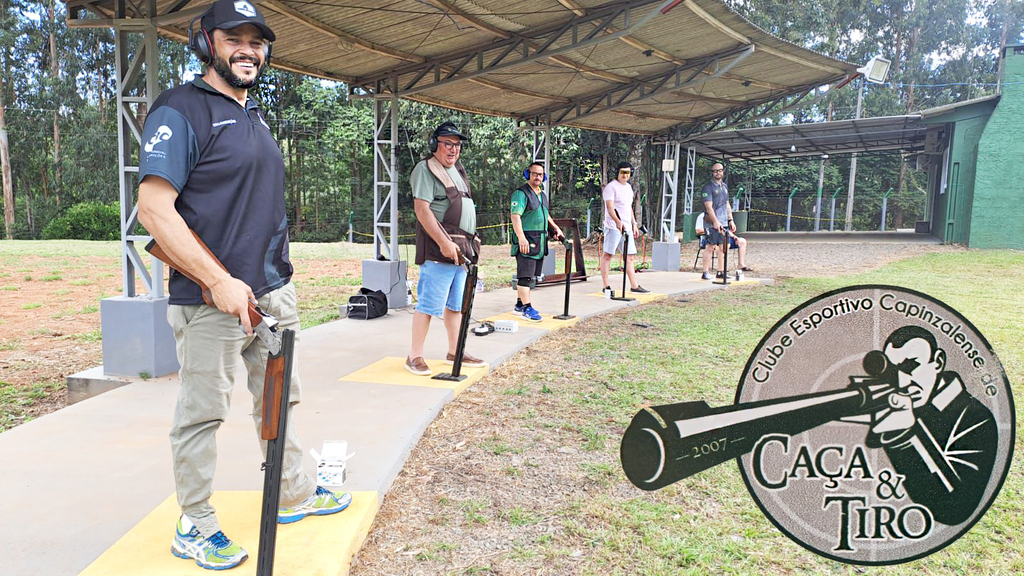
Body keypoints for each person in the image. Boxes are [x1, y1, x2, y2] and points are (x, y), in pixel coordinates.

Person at [137, 1, 350, 570]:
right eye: (235, 37)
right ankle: (195, 523)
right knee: (202, 413)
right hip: (210, 299)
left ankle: (292, 492)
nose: (248, 49)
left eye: (257, 41)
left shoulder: (255, 115)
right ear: (206, 41)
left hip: (272, 291)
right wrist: (218, 280)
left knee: (281, 399)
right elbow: (154, 212)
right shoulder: (179, 110)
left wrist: (271, 280)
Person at [865, 326, 996, 525]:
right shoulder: (897, 400)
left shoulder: (976, 418)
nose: (902, 383)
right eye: (893, 371)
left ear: (938, 362)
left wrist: (905, 438)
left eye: (911, 366)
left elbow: (956, 508)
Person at [406, 122, 486, 376]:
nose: (453, 150)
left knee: (455, 305)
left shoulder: (457, 170)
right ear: (435, 145)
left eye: (457, 145)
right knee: (428, 305)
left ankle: (455, 351)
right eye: (448, 144)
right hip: (439, 250)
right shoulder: (425, 169)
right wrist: (442, 242)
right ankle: (414, 355)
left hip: (461, 249)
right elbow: (422, 209)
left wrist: (471, 239)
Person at [510, 162, 564, 321]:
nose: (537, 177)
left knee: (531, 275)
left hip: (539, 240)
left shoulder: (542, 195)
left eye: (540, 174)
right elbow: (515, 216)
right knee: (525, 276)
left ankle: (519, 305)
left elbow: (545, 215)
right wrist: (521, 238)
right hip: (527, 240)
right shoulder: (521, 193)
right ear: (528, 174)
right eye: (534, 174)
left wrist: (555, 228)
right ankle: (527, 308)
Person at [598, 162, 649, 294]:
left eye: (628, 172)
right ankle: (606, 285)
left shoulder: (628, 188)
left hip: (627, 227)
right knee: (608, 255)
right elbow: (610, 208)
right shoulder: (611, 187)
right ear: (617, 173)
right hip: (613, 226)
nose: (625, 175)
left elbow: (628, 207)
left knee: (629, 256)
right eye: (622, 172)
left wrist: (634, 223)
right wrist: (617, 221)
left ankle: (634, 285)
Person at [700, 163, 752, 280]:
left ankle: (721, 271)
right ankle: (705, 272)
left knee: (725, 246)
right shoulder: (708, 187)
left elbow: (727, 204)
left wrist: (731, 220)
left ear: (723, 172)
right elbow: (709, 207)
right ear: (712, 173)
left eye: (720, 170)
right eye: (715, 171)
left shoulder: (724, 187)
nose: (718, 173)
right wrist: (715, 221)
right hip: (711, 222)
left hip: (723, 221)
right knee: (711, 246)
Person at [694, 212, 748, 280]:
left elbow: (725, 230)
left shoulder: (721, 216)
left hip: (721, 237)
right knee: (718, 246)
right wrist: (714, 229)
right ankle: (710, 271)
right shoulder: (703, 216)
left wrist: (734, 236)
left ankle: (739, 264)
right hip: (708, 237)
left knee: (740, 241)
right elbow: (698, 230)